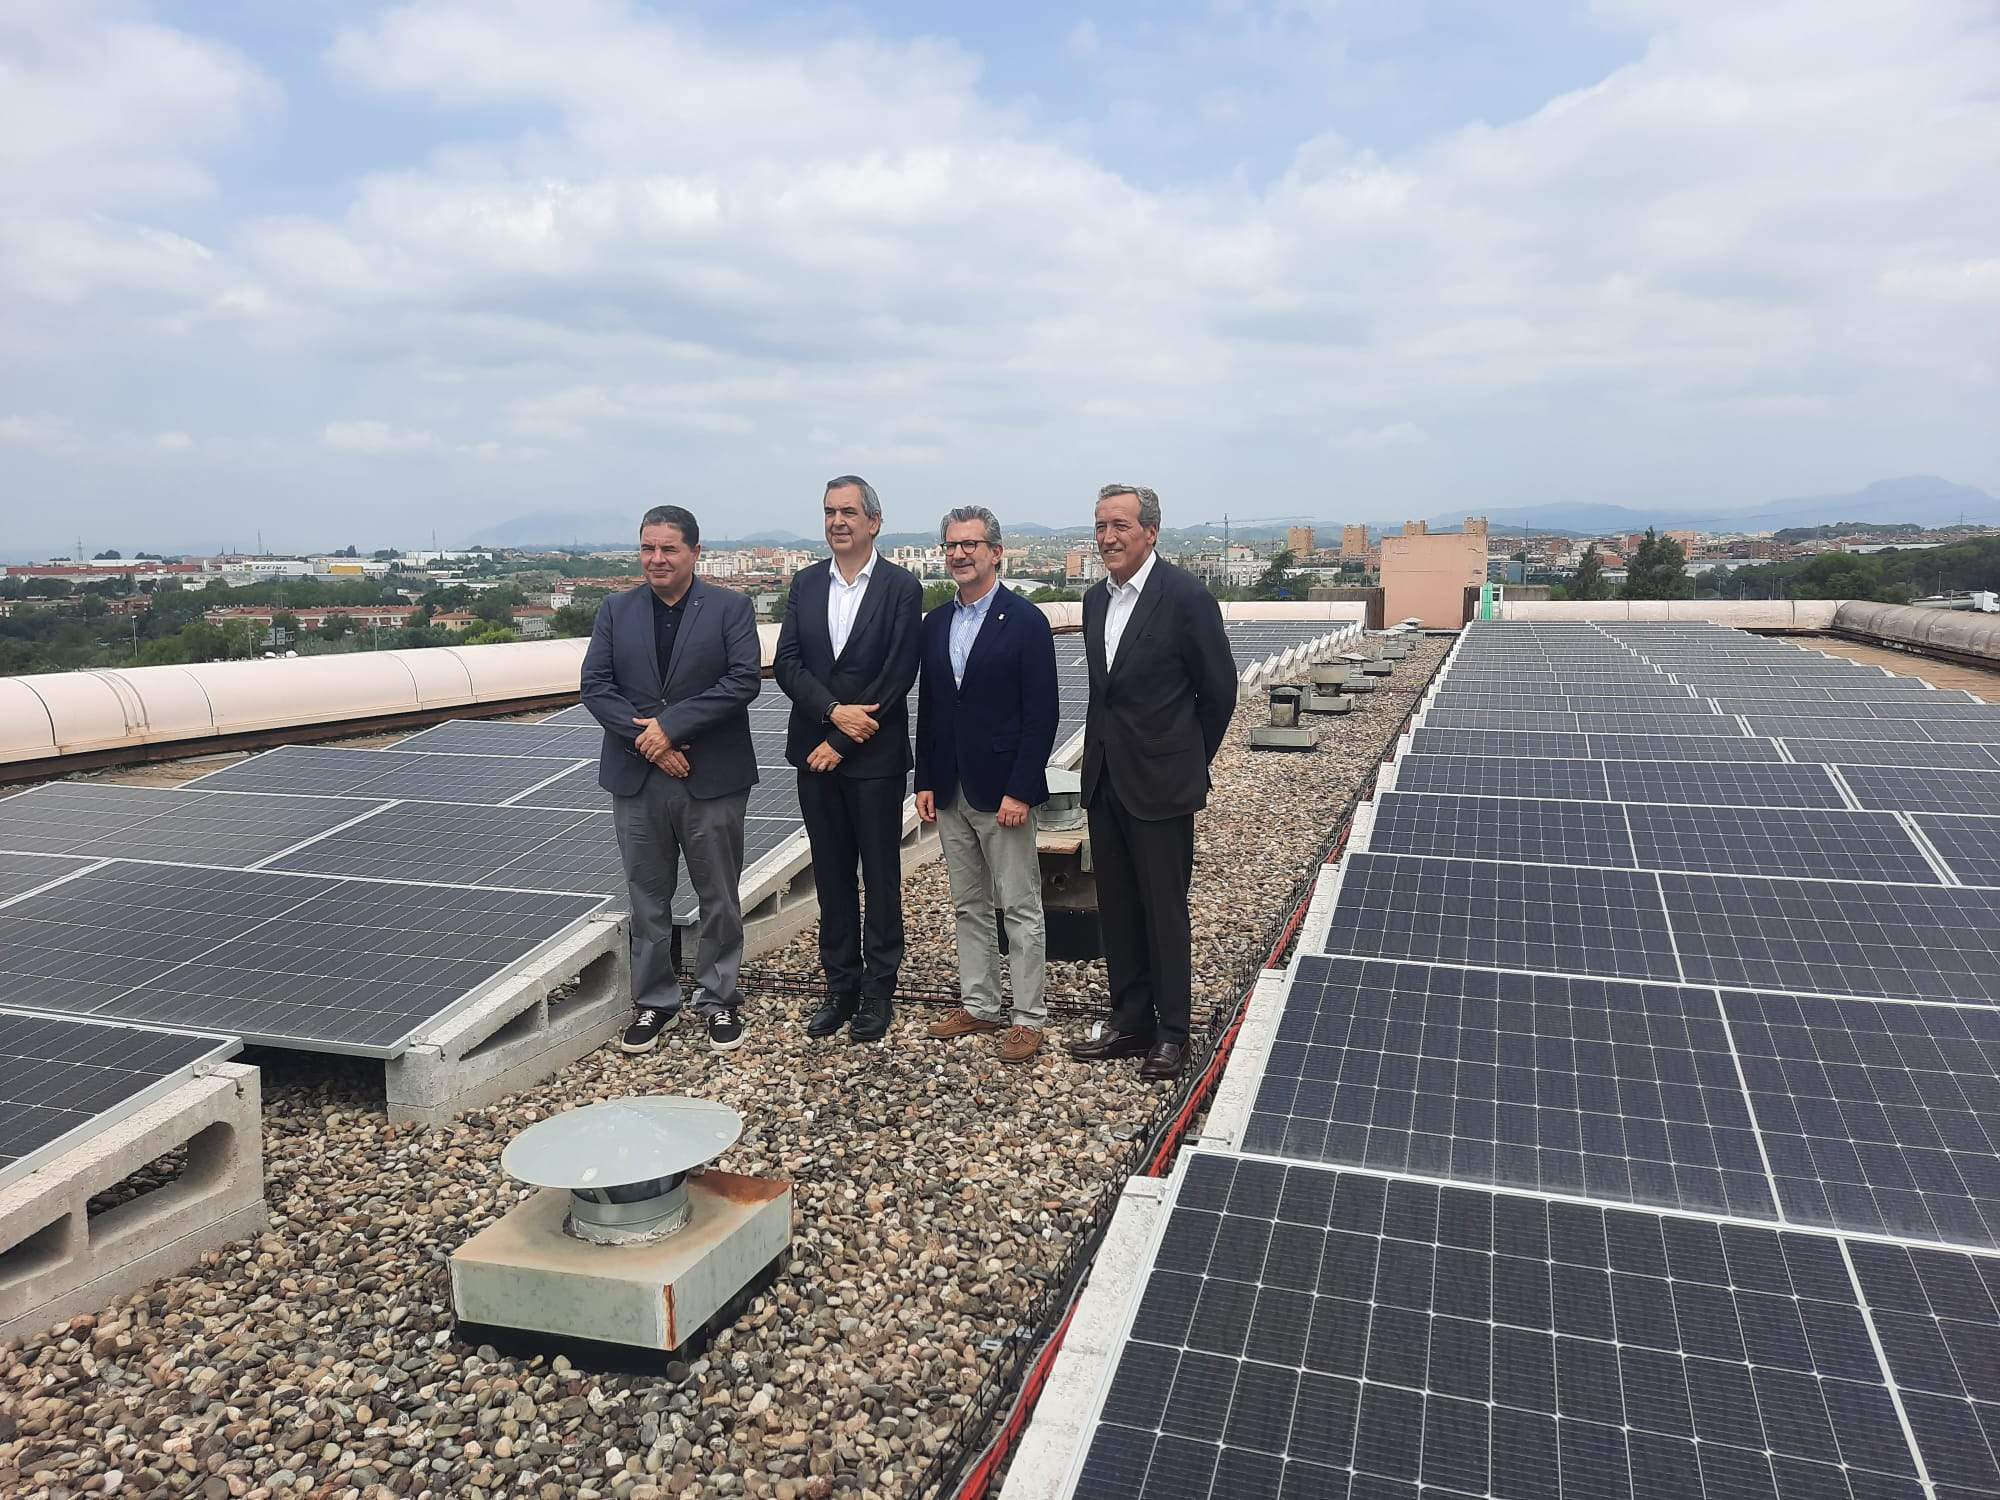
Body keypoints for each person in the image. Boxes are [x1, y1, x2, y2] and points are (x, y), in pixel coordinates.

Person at [1068, 483, 1236, 1080]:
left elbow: (1219, 692)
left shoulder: (1185, 597)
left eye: (1119, 526)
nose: (1107, 537)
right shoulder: (1093, 601)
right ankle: (1130, 1019)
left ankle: (1172, 1032)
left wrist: (1187, 759)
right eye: (1100, 526)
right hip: (1106, 778)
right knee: (1116, 905)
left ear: (1151, 533)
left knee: (1164, 909)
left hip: (1162, 784)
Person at [581, 504, 761, 1055]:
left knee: (718, 895)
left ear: (694, 553)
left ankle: (718, 1001)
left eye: (669, 549)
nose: (656, 559)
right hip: (639, 780)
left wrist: (671, 729)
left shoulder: (731, 608)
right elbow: (596, 685)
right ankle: (655, 1002)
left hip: (712, 778)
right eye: (647, 548)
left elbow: (742, 681)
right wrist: (651, 744)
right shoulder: (616, 609)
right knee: (647, 897)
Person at [774, 475, 923, 1043]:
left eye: (849, 513)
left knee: (880, 876)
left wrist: (843, 738)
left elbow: (898, 671)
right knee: (832, 875)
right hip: (813, 751)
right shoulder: (807, 584)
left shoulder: (901, 588)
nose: (838, 522)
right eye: (830, 512)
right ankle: (841, 986)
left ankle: (879, 991)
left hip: (873, 758)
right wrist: (833, 713)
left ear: (873, 522)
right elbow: (788, 663)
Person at [914, 506, 1060, 1063]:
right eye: (951, 545)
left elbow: (1040, 713)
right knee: (968, 904)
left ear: (996, 552)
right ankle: (980, 1004)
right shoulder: (935, 624)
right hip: (950, 789)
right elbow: (930, 709)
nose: (959, 554)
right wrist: (925, 777)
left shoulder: (1024, 621)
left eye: (971, 544)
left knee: (1020, 907)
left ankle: (1028, 1017)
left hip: (1003, 793)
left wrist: (1022, 789)